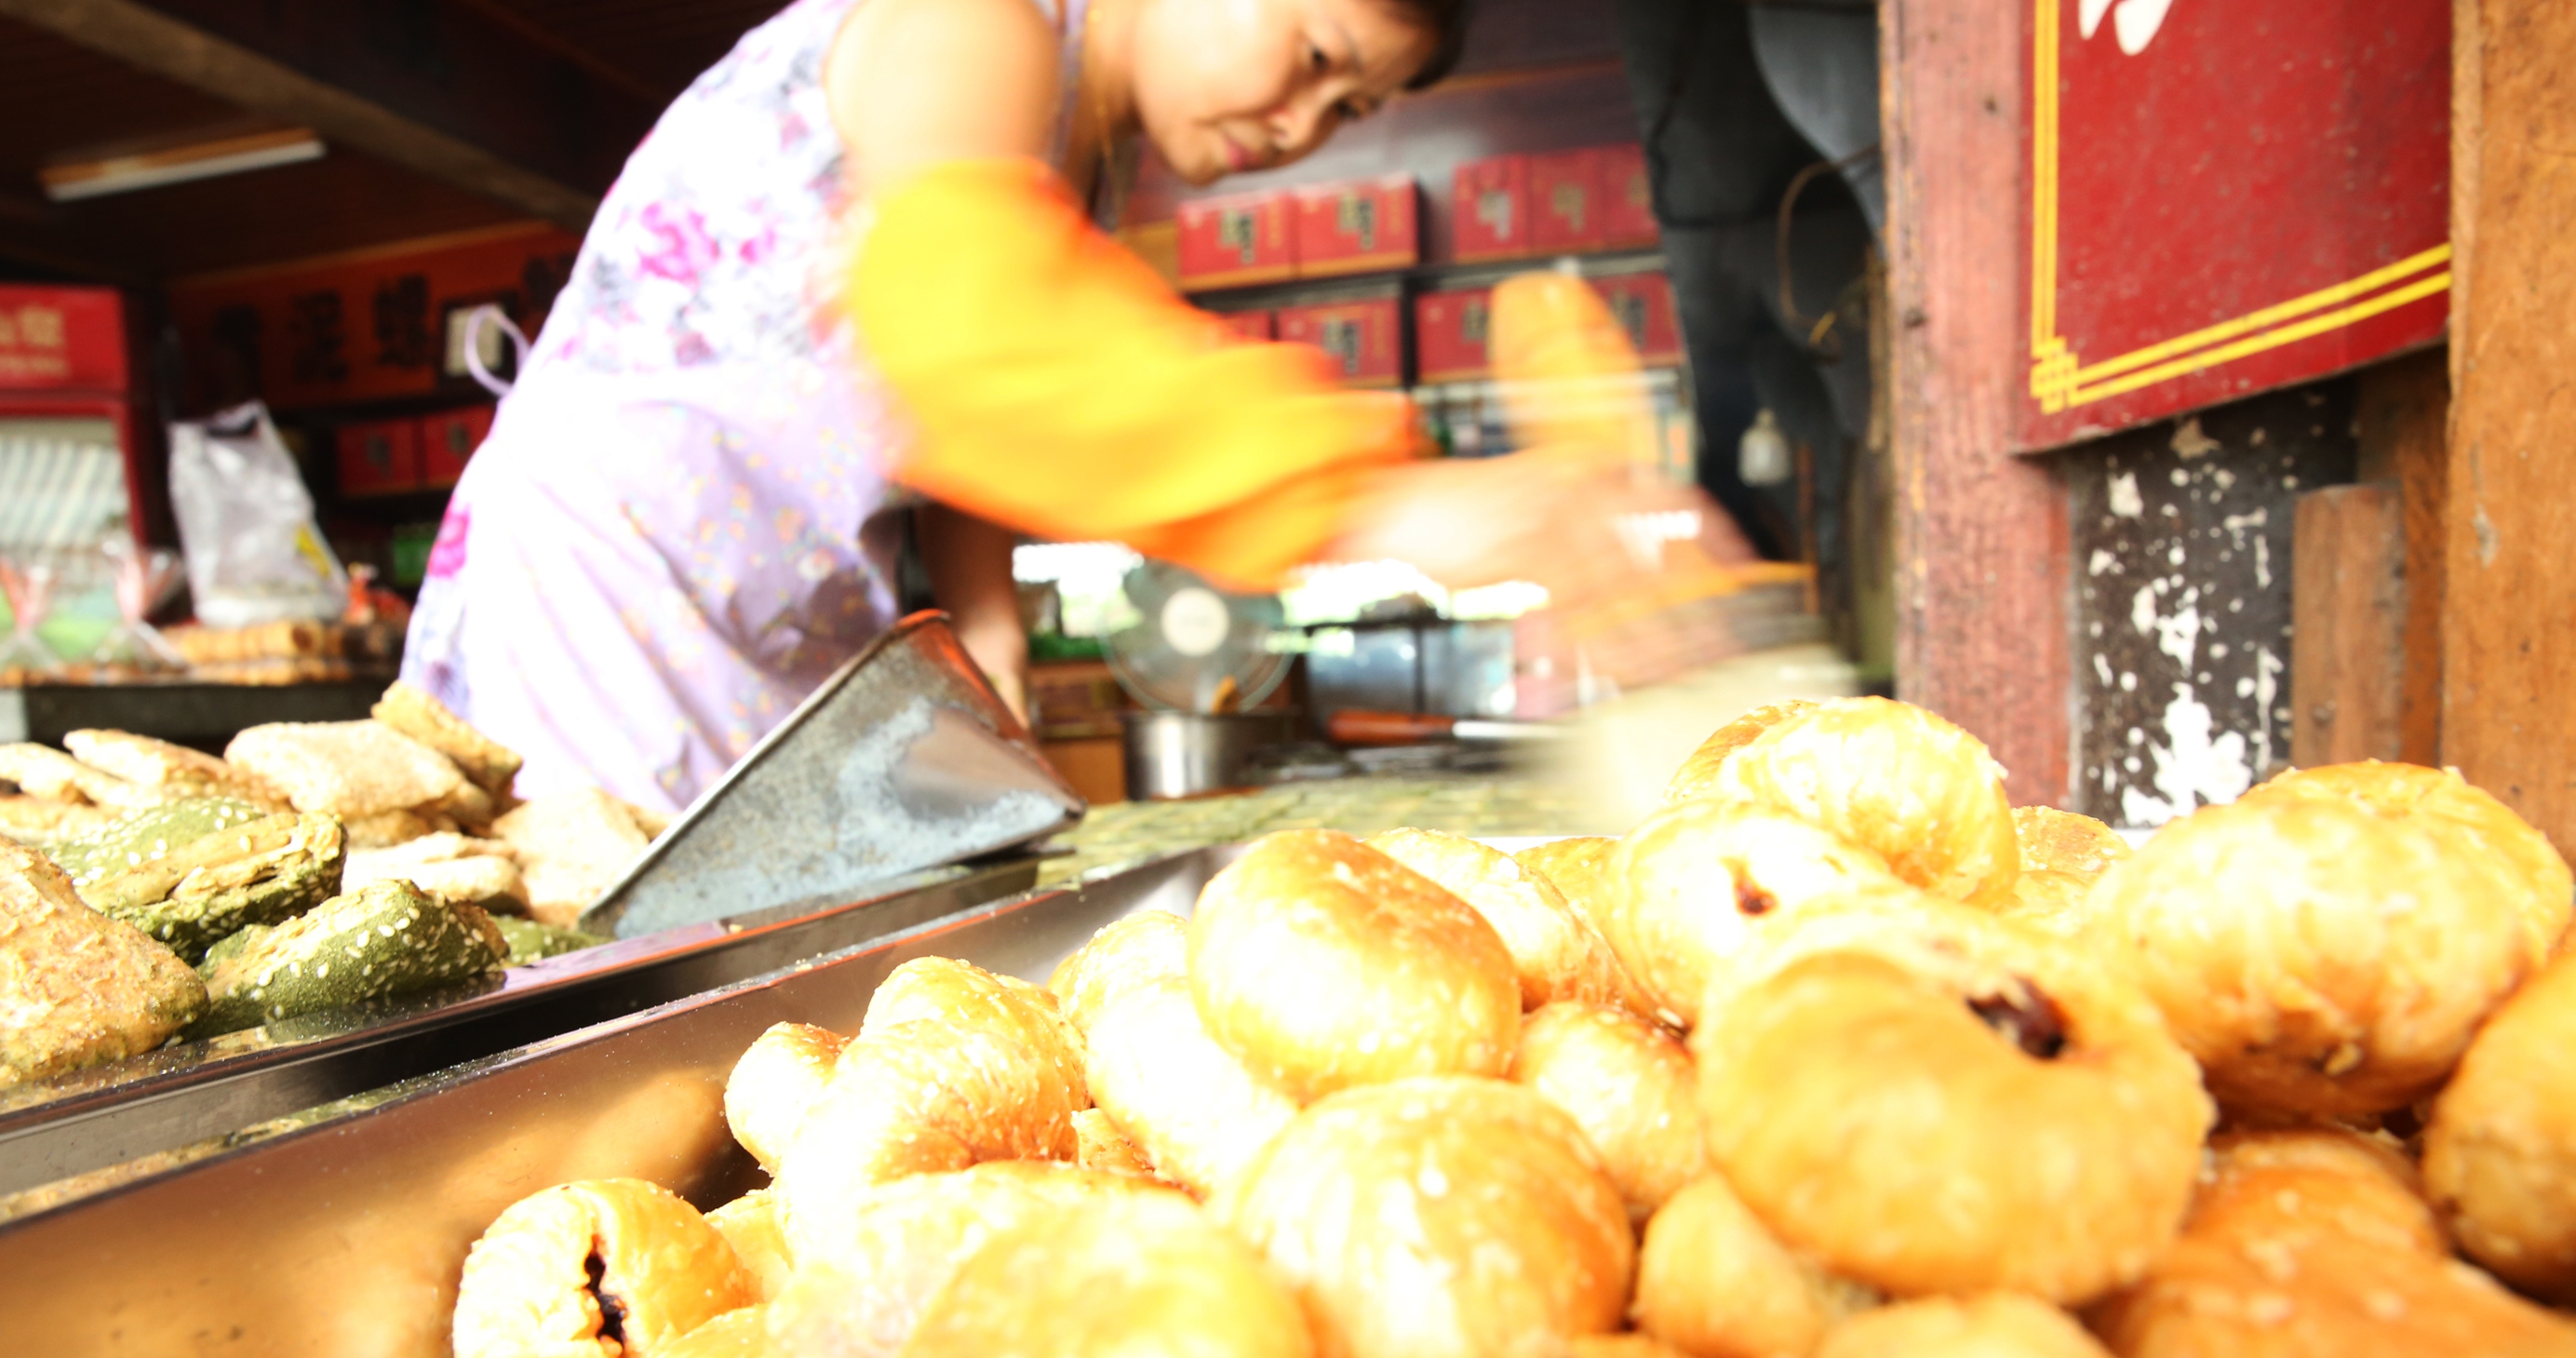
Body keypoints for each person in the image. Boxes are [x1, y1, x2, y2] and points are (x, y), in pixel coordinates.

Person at [403, 0, 1724, 812]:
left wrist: (992, 655)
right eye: (1315, 48)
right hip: (619, 576)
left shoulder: (1071, 155)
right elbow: (975, 333)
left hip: (771, 610)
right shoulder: (980, 23)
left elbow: (952, 441)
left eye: (1354, 103)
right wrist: (1389, 498)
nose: (1307, 119)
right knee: (623, 1021)